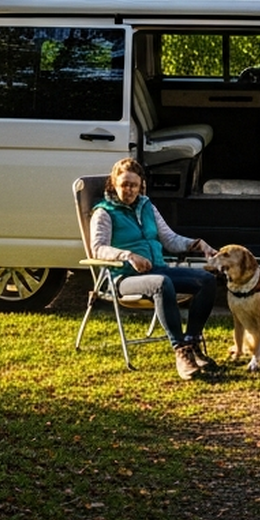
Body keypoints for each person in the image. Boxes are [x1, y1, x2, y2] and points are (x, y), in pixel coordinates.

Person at [89, 157, 221, 379]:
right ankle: (180, 350)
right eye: (124, 185)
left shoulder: (147, 206)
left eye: (134, 185)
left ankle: (192, 342)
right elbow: (98, 249)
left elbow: (170, 239)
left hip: (157, 269)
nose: (130, 190)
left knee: (206, 280)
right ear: (113, 184)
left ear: (141, 185)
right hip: (123, 278)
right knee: (162, 283)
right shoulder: (104, 212)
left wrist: (197, 244)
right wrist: (128, 256)